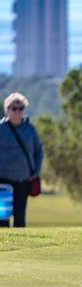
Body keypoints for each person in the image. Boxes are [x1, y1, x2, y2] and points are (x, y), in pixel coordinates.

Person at [0, 93, 43, 228]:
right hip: (3, 179)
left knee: (20, 215)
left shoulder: (30, 129)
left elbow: (38, 151)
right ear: (7, 110)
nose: (18, 111)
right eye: (14, 108)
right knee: (2, 215)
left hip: (23, 179)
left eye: (21, 108)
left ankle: (20, 242)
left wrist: (36, 171)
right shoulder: (1, 129)